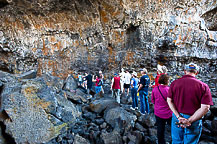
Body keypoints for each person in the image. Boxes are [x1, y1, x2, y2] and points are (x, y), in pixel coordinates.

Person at [167, 63, 213, 144]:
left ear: (185, 71)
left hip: (177, 117)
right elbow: (205, 107)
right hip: (194, 118)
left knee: (176, 141)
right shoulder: (203, 86)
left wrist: (179, 116)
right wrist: (189, 120)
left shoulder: (174, 83)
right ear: (197, 72)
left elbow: (169, 101)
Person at [151, 74, 172, 144]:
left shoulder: (155, 89)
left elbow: (153, 101)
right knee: (173, 128)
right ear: (166, 81)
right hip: (169, 113)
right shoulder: (169, 90)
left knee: (160, 129)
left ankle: (161, 142)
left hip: (158, 113)